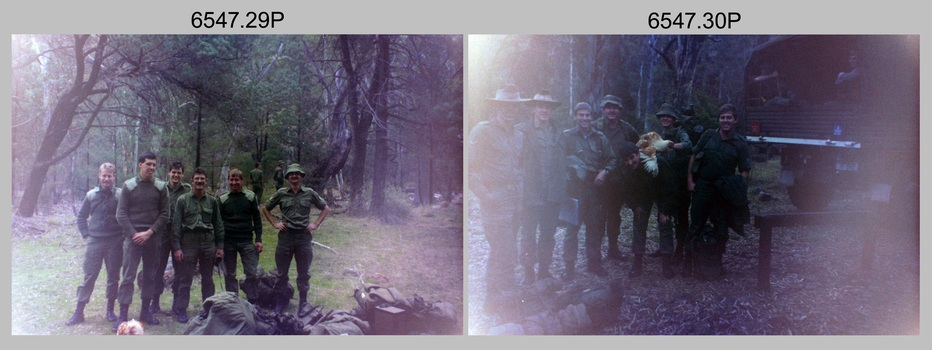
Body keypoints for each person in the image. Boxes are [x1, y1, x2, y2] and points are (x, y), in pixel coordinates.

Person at [467, 84, 526, 310]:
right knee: (501, 248)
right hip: (495, 199)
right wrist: (486, 195)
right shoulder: (483, 131)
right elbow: (472, 169)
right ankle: (492, 301)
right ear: (497, 106)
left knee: (509, 249)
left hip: (515, 199)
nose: (510, 110)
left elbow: (518, 166)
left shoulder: (519, 134)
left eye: (514, 105)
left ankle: (506, 297)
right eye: (505, 105)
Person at [685, 104, 751, 277]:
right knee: (696, 225)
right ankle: (688, 261)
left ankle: (716, 262)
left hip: (723, 191)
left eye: (729, 117)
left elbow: (745, 170)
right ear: (719, 119)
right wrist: (690, 181)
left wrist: (738, 189)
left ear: (735, 120)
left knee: (721, 229)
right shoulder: (708, 135)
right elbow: (693, 155)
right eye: (722, 117)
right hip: (703, 187)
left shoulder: (740, 143)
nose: (725, 120)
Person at [262, 163, 330, 313]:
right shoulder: (281, 193)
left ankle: (303, 304)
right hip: (286, 237)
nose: (294, 176)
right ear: (287, 177)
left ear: (301, 177)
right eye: (291, 174)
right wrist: (275, 223)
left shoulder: (309, 193)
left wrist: (315, 224)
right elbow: (265, 208)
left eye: (297, 174)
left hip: (303, 237)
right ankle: (280, 304)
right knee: (281, 273)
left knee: (303, 273)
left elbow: (325, 208)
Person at [113, 151, 170, 332]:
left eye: (154, 164)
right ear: (140, 165)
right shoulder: (128, 186)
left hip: (152, 240)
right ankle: (122, 316)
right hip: (132, 240)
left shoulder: (161, 187)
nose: (151, 167)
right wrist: (133, 234)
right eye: (148, 164)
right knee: (128, 277)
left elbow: (165, 214)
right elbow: (120, 213)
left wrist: (149, 233)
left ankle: (146, 312)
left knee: (150, 276)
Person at [561, 102, 617, 278]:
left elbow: (612, 160)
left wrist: (604, 172)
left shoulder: (600, 138)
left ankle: (594, 264)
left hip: (594, 189)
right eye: (581, 115)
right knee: (572, 230)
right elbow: (559, 159)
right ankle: (569, 268)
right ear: (575, 117)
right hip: (574, 189)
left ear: (592, 117)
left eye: (587, 115)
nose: (585, 118)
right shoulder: (567, 137)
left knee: (594, 229)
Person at [515, 90, 564, 283]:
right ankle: (528, 273)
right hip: (530, 193)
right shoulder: (522, 130)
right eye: (540, 106)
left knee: (548, 235)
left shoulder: (558, 132)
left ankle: (543, 270)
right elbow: (515, 162)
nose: (544, 110)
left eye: (548, 106)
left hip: (552, 193)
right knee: (528, 234)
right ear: (533, 108)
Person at [66, 163, 123, 326]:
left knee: (113, 277)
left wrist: (123, 236)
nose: (106, 179)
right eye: (104, 175)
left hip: (114, 242)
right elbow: (81, 217)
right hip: (95, 242)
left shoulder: (120, 195)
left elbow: (126, 217)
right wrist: (87, 235)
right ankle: (79, 312)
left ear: (114, 177)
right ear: (99, 176)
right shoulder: (91, 195)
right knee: (89, 276)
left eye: (109, 176)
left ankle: (110, 310)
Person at [170, 167, 225, 323]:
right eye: (197, 179)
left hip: (208, 242)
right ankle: (181, 309)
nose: (200, 181)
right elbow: (176, 225)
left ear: (206, 181)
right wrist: (177, 247)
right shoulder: (183, 200)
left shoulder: (212, 201)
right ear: (192, 181)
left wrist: (220, 247)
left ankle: (208, 309)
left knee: (208, 278)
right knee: (185, 277)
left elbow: (218, 225)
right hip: (189, 242)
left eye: (202, 179)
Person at [593, 95, 639, 261]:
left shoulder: (627, 130)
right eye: (608, 107)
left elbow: (637, 146)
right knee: (598, 216)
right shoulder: (595, 127)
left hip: (619, 181)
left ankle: (613, 249)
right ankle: (595, 252)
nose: (612, 110)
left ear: (620, 110)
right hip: (599, 181)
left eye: (615, 107)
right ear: (603, 109)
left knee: (614, 215)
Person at [625, 137, 677, 278]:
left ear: (638, 153)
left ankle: (666, 261)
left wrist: (665, 211)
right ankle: (637, 261)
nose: (630, 162)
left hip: (662, 194)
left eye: (632, 158)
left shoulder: (658, 162)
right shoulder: (627, 168)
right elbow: (628, 190)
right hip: (643, 197)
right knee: (639, 222)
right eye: (626, 160)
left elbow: (670, 188)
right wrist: (636, 206)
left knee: (665, 223)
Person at [648, 104, 692, 262]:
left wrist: (672, 146)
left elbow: (688, 146)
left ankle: (680, 250)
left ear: (674, 119)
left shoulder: (680, 133)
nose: (665, 119)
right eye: (662, 116)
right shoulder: (659, 135)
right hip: (664, 183)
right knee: (663, 216)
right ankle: (664, 246)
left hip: (680, 183)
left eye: (668, 116)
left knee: (681, 218)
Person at [151, 161, 191, 315]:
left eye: (179, 172)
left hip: (180, 236)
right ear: (169, 173)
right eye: (173, 172)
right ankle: (155, 302)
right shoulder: (160, 188)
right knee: (158, 268)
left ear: (182, 174)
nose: (176, 175)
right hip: (162, 234)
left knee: (180, 270)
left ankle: (177, 303)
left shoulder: (187, 190)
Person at [220, 168, 264, 305]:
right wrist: (219, 245)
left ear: (242, 180)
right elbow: (218, 223)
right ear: (228, 181)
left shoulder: (250, 197)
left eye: (237, 180)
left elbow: (257, 220)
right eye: (231, 180)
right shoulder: (222, 199)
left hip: (246, 240)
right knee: (230, 274)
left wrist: (258, 240)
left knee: (251, 272)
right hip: (228, 241)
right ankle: (233, 302)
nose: (234, 183)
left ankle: (253, 301)